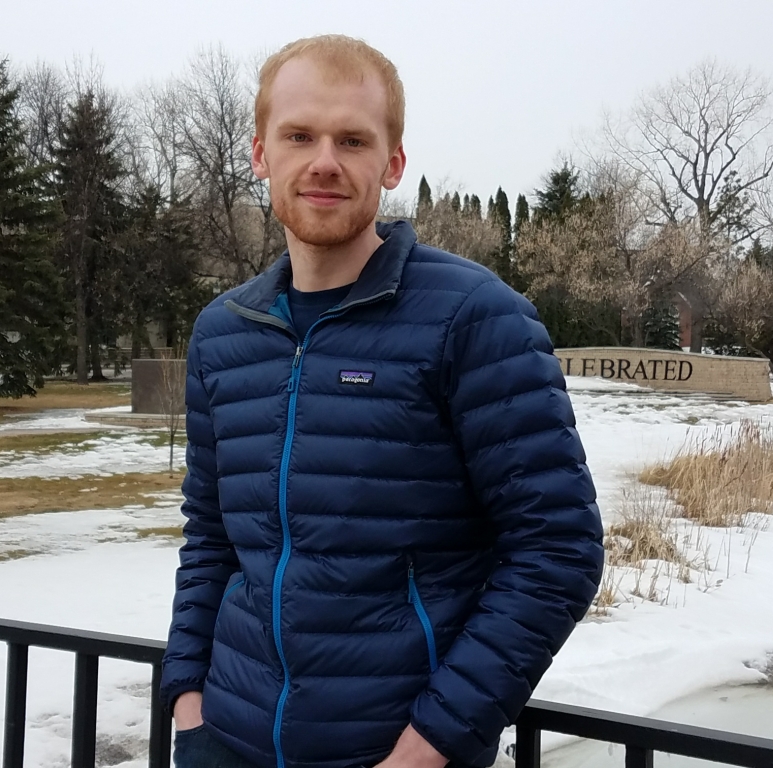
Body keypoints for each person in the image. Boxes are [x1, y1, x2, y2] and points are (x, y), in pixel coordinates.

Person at [160, 34, 603, 768]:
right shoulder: (223, 332)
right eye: (299, 135)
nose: (324, 161)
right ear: (260, 155)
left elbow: (556, 550)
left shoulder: (476, 317)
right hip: (227, 743)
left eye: (353, 139)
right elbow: (211, 536)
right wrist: (189, 702)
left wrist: (429, 746)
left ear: (392, 162)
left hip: (394, 753)